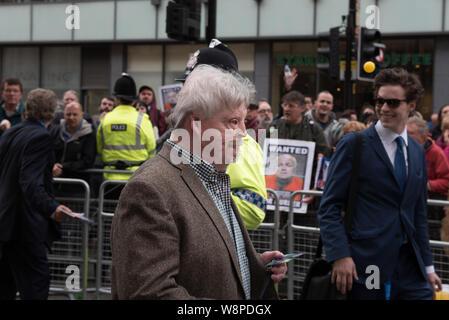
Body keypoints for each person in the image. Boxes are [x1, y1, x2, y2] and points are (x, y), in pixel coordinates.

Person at [111, 64, 287, 300]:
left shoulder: (212, 176)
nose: (244, 133)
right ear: (195, 124)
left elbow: (202, 257)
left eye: (244, 122)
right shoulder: (150, 189)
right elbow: (149, 293)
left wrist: (250, 265)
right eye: (233, 122)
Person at [318, 67, 442, 300]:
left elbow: (418, 213)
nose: (384, 108)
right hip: (368, 263)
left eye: (393, 103)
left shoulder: (416, 151)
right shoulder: (355, 144)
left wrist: (428, 267)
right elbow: (329, 205)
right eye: (380, 101)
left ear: (411, 105)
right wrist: (340, 255)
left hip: (409, 265)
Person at [0, 88, 72, 300]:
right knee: (36, 285)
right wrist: (53, 208)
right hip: (24, 226)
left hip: (5, 224)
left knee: (5, 286)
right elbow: (30, 184)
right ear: (53, 112)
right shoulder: (40, 137)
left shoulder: (10, 132)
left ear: (28, 108)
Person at [97, 73, 156, 182]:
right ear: (134, 99)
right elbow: (152, 150)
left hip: (109, 179)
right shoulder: (143, 120)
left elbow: (99, 150)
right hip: (136, 178)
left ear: (117, 98)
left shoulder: (105, 119)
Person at [407, 116, 449, 241]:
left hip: (431, 205)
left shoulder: (436, 153)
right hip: (409, 201)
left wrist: (426, 185)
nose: (406, 136)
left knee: (430, 237)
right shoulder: (402, 149)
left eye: (410, 133)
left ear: (423, 136)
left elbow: (446, 181)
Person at [50, 101, 96, 196]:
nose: (71, 118)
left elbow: (88, 161)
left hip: (78, 188)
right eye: (68, 114)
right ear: (63, 115)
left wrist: (63, 167)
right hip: (54, 185)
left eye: (75, 114)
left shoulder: (89, 134)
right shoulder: (55, 131)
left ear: (82, 115)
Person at [267, 90, 330, 159]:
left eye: (291, 106)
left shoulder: (313, 129)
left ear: (302, 108)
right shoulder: (274, 127)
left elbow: (325, 152)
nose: (286, 109)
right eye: (285, 105)